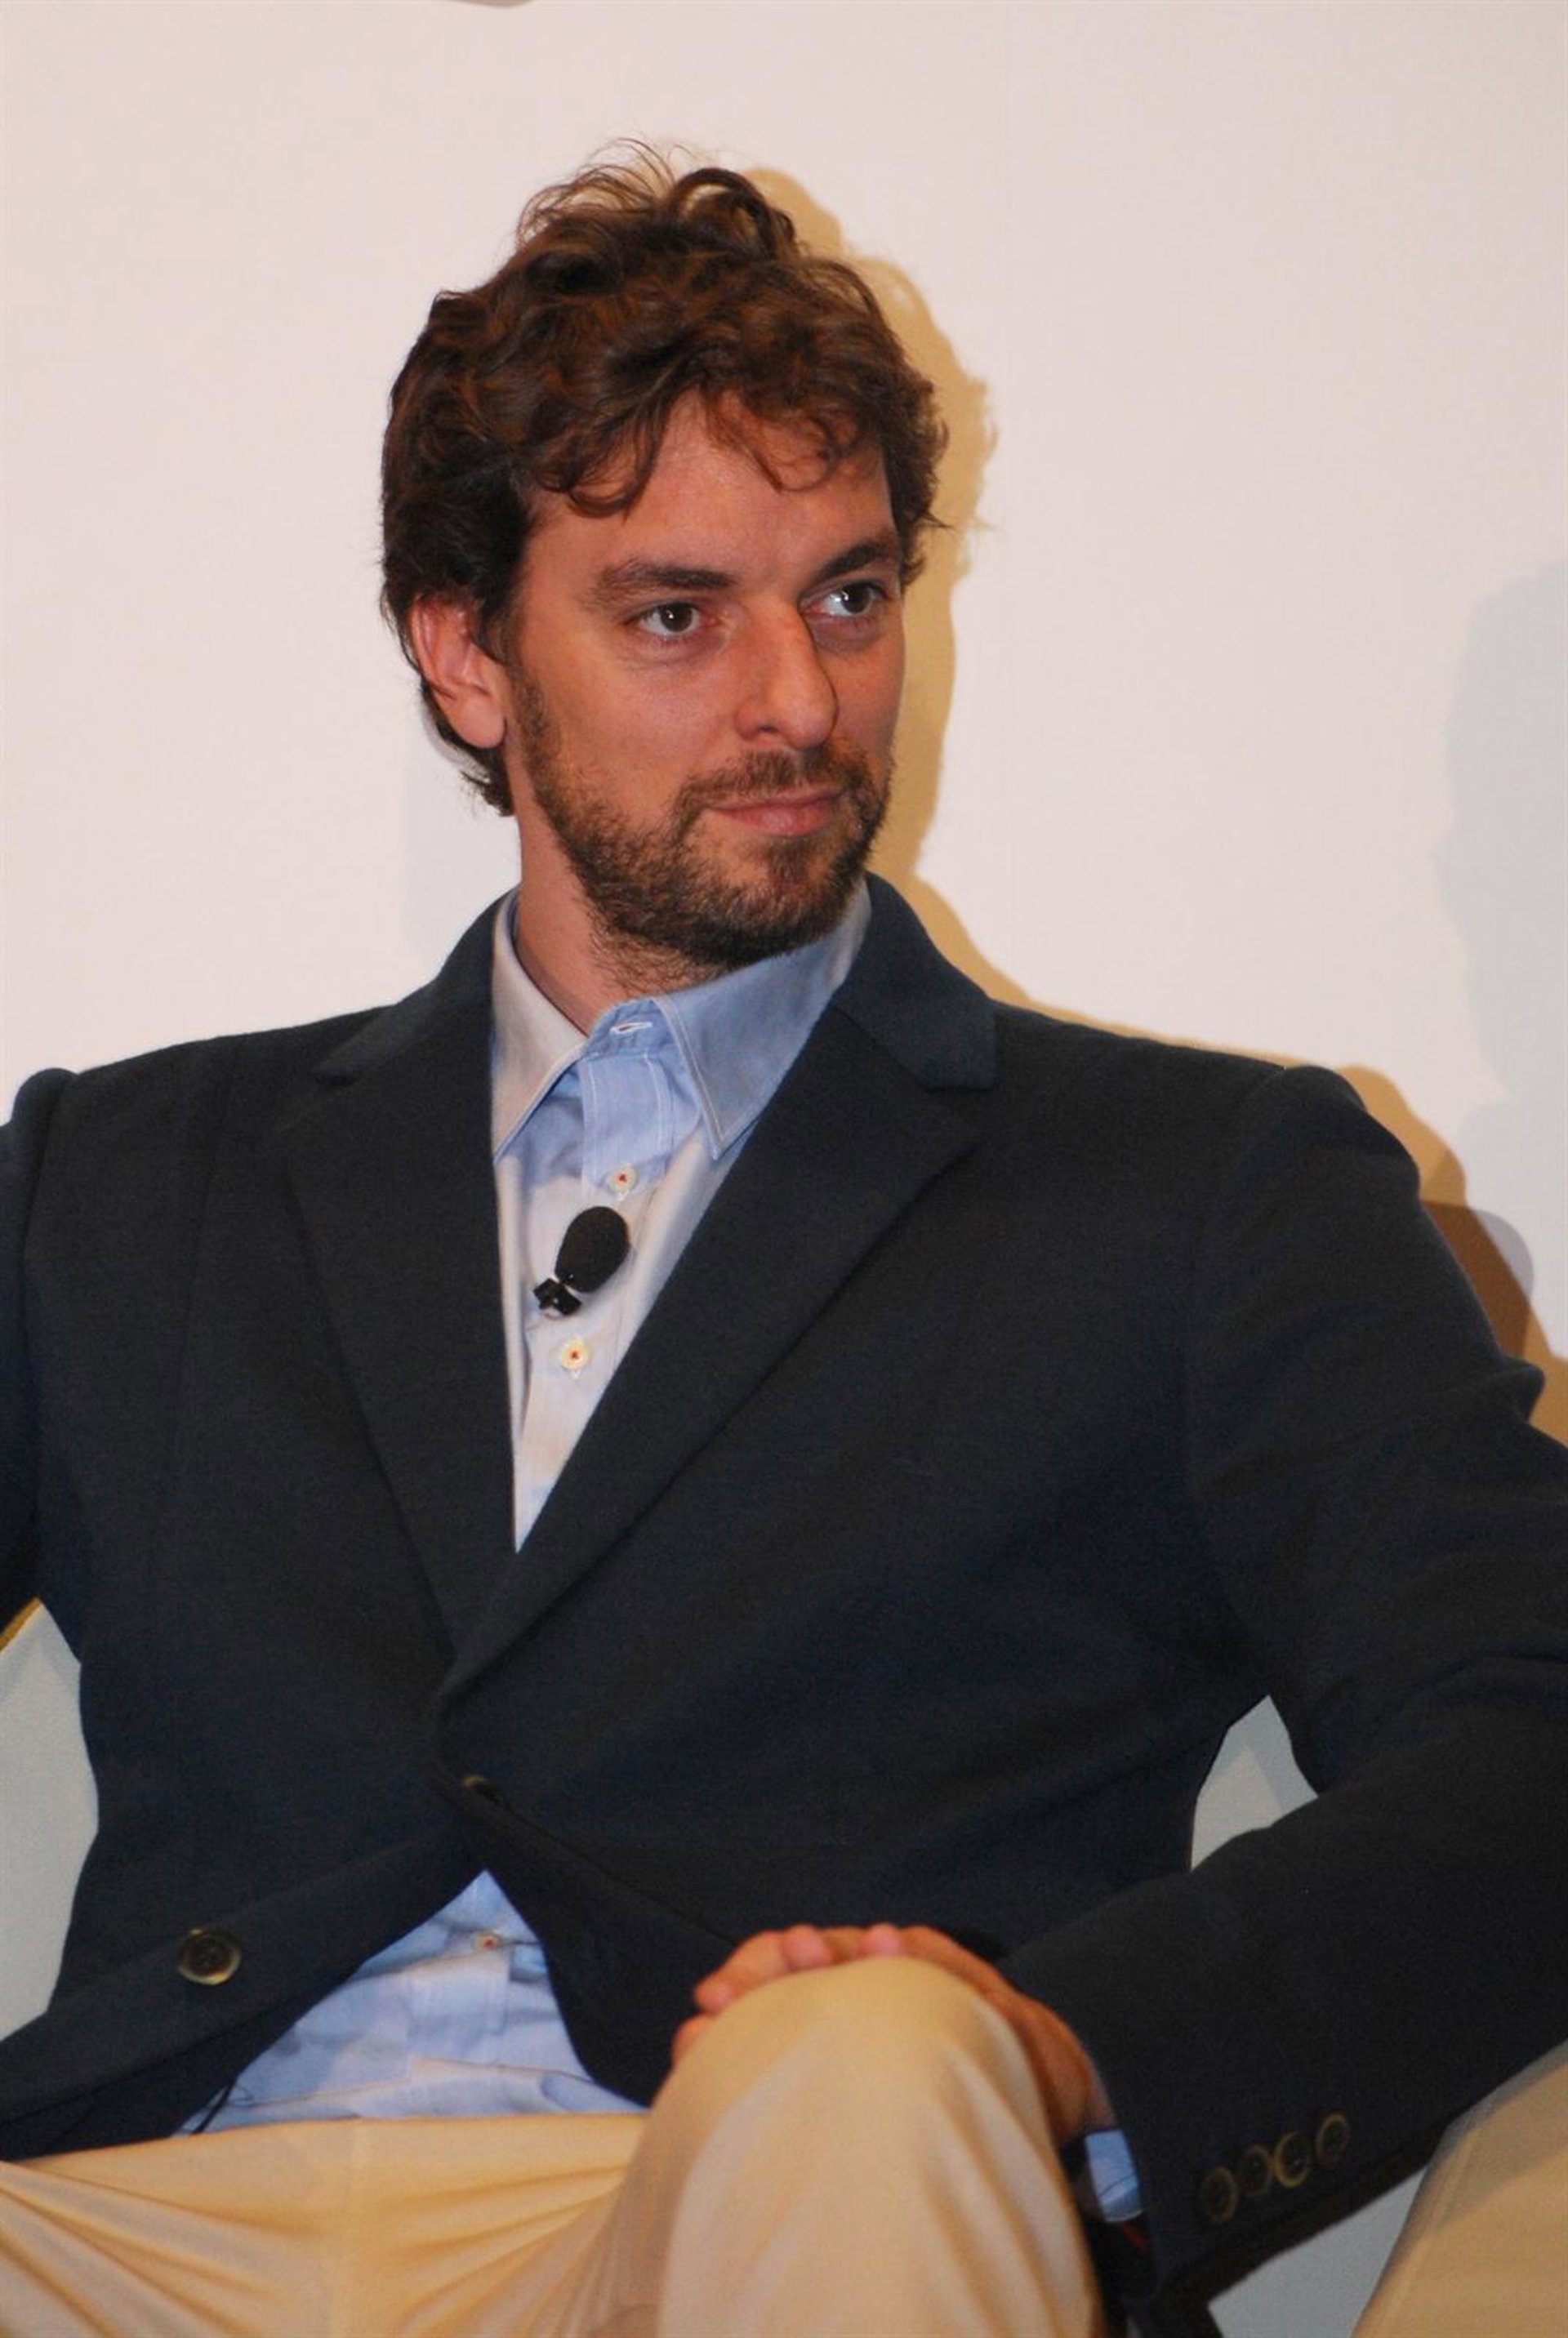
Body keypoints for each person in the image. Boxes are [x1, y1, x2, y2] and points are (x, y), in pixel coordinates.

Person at [0, 154, 1562, 2338]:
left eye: (847, 596)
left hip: (769, 2201)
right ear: (468, 655)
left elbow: (1532, 1738)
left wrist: (1048, 2053)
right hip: (134, 2227)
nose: (802, 705)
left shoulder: (1209, 1188)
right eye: (678, 615)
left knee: (868, 2067)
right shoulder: (120, 1184)